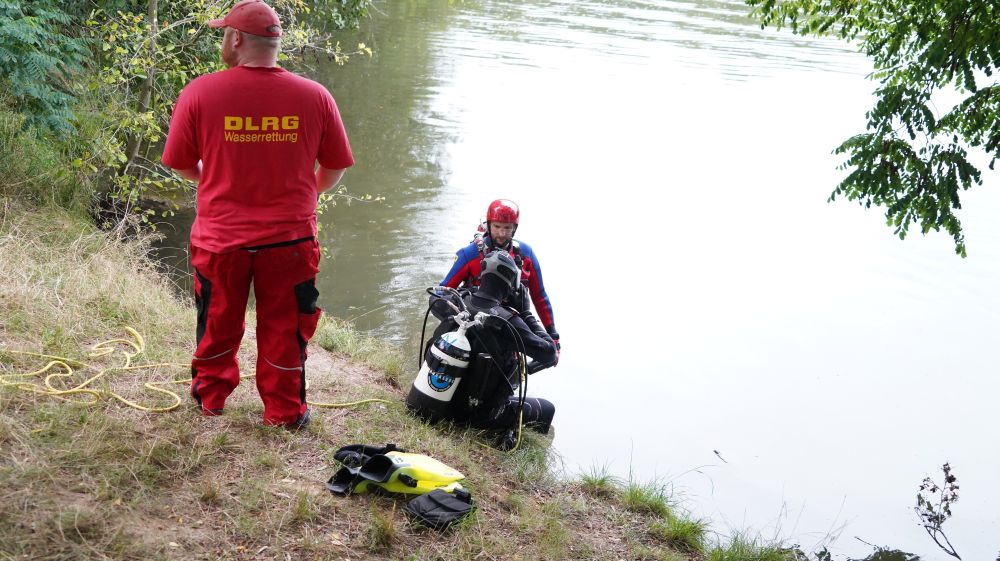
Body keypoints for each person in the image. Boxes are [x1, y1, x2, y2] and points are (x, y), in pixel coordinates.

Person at [160, 0, 353, 428]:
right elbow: (335, 167)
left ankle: (211, 400)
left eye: (223, 34)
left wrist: (210, 177)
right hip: (291, 241)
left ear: (234, 39)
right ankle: (284, 413)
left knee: (217, 321)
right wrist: (308, 191)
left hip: (220, 241)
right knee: (286, 328)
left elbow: (179, 163)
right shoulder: (315, 96)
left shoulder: (200, 92)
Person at [408, 250, 559, 447]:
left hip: (438, 401)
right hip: (475, 415)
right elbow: (549, 353)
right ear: (512, 286)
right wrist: (526, 313)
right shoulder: (508, 322)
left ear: (483, 274)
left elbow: (434, 299)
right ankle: (522, 446)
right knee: (547, 408)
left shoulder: (456, 302)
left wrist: (471, 291)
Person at [440, 199, 561, 351]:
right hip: (475, 326)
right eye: (497, 227)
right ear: (489, 225)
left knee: (539, 354)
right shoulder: (469, 254)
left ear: (514, 228)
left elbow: (539, 296)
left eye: (507, 228)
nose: (502, 234)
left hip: (511, 326)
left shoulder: (526, 255)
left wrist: (553, 334)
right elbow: (442, 292)